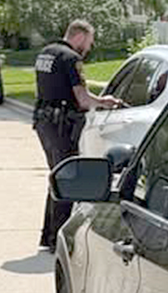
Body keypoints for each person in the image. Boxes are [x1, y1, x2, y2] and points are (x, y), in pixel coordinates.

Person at [33, 20, 123, 253]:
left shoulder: (46, 53)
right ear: (80, 36)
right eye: (89, 41)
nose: (89, 47)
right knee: (69, 179)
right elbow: (82, 99)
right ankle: (60, 239)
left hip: (45, 122)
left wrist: (100, 100)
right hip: (62, 124)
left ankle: (48, 236)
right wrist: (103, 103)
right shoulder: (71, 58)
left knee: (57, 175)